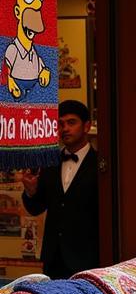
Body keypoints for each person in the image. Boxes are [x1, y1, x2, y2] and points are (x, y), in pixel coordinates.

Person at [21, 99, 100, 279]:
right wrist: (31, 191)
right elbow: (36, 208)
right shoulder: (49, 164)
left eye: (71, 122)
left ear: (87, 126)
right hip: (53, 259)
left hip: (89, 259)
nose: (65, 128)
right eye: (60, 124)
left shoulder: (100, 165)